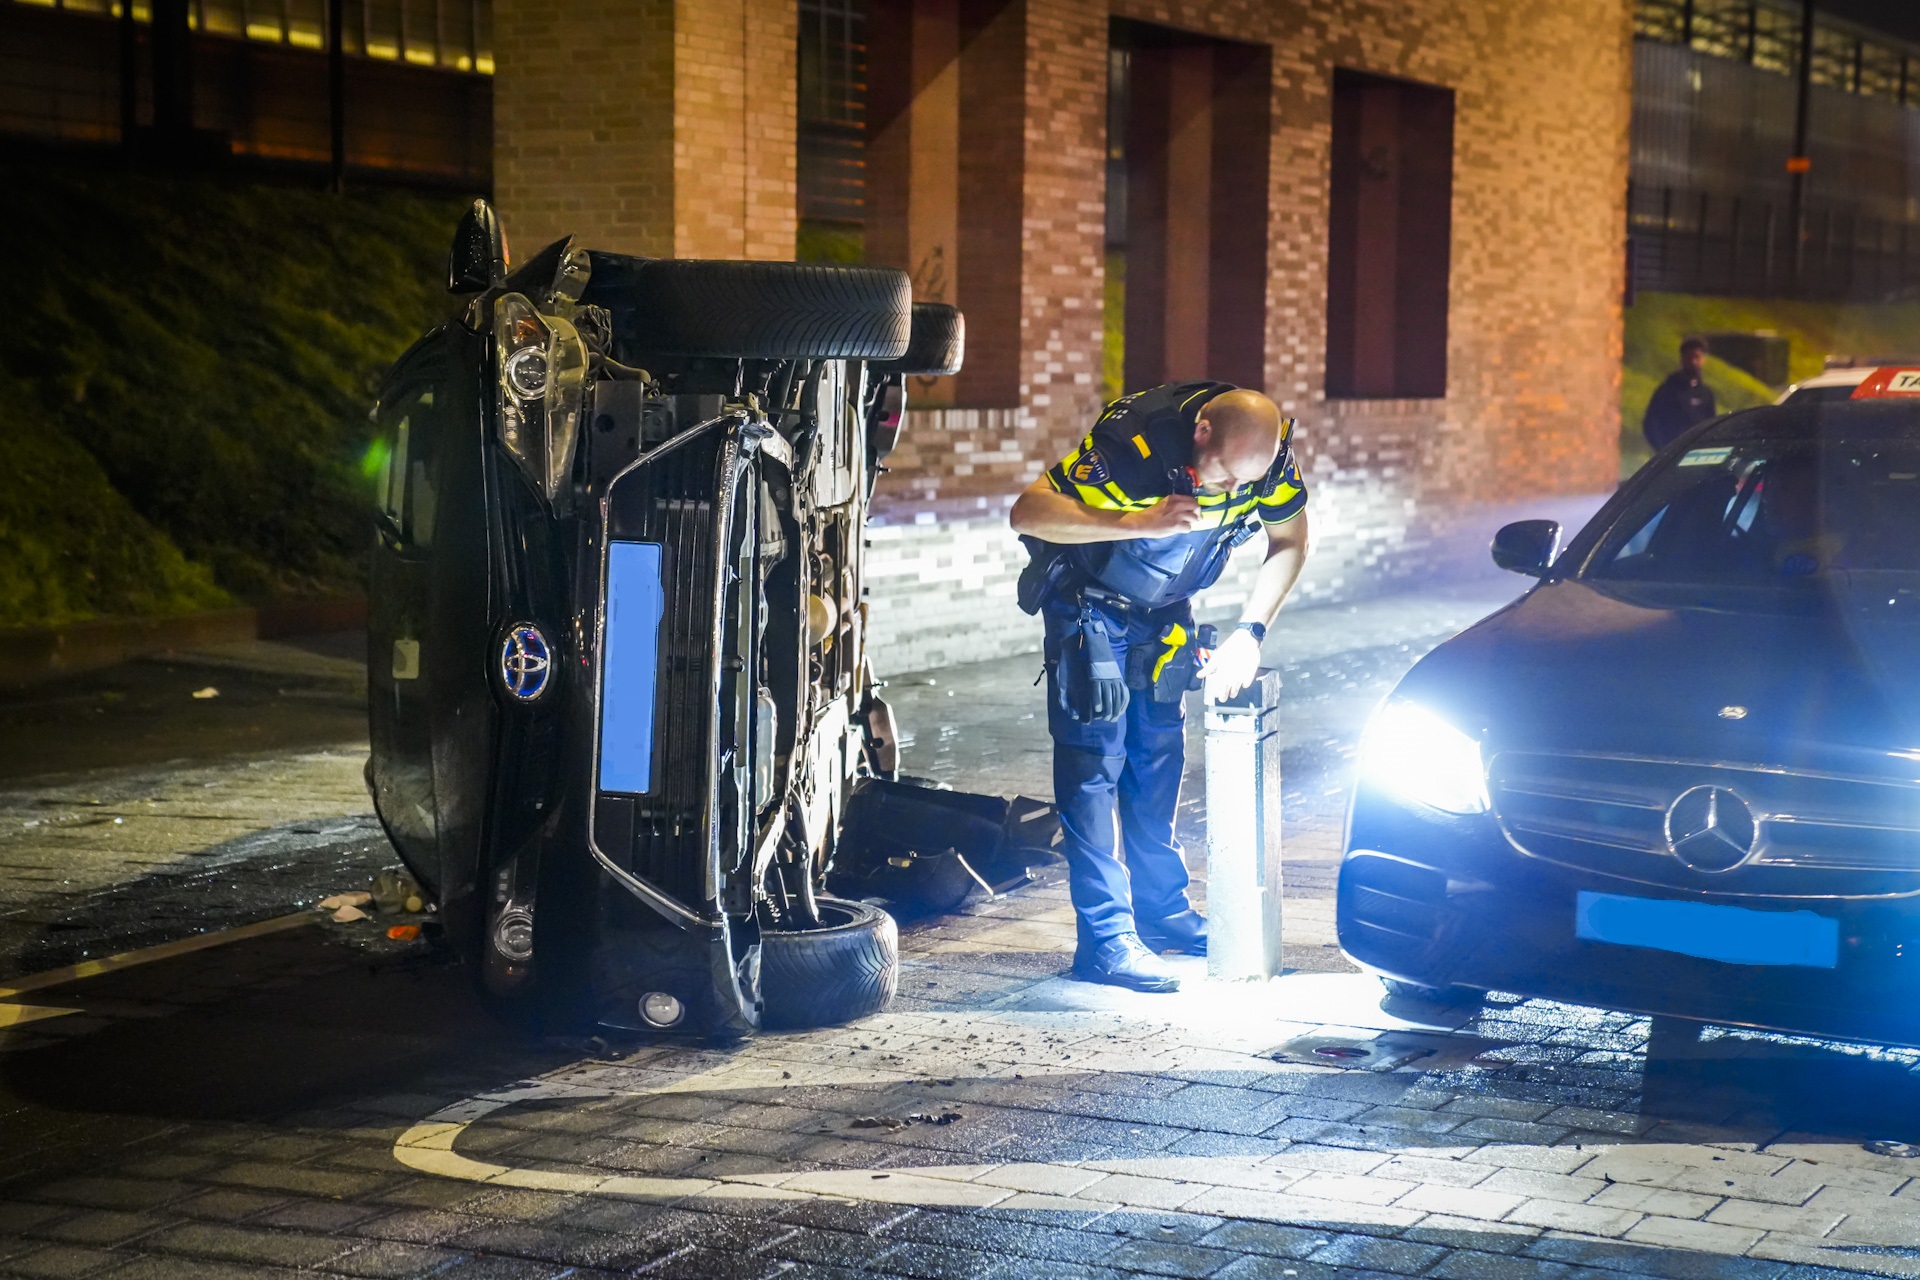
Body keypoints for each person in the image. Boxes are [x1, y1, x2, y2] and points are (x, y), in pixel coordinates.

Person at [1009, 382, 1311, 993]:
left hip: (1165, 613)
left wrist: (1251, 633)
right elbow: (1027, 510)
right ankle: (1106, 941)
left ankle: (1164, 915)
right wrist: (1132, 518)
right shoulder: (1132, 450)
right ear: (1202, 430)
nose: (1231, 491)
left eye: (1242, 483)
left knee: (1157, 761)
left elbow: (1290, 540)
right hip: (1090, 612)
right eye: (1224, 475)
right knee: (1096, 768)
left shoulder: (1266, 466)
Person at [1643, 338, 1717, 451]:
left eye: (1697, 357)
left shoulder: (1706, 394)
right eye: (1689, 357)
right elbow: (1650, 423)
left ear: (1703, 360)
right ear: (1682, 359)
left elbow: (1712, 426)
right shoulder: (1667, 391)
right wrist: (1663, 450)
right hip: (1673, 454)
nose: (1693, 362)